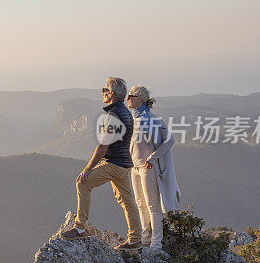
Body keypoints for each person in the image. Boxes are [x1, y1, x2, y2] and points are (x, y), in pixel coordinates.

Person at [62, 77, 143, 251]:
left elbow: (103, 146)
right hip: (124, 164)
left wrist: (87, 169)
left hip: (114, 164)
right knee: (127, 201)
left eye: (105, 90)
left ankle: (80, 228)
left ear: (112, 93)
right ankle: (135, 239)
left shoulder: (113, 116)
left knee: (82, 183)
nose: (103, 93)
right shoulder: (125, 113)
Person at [126, 86, 181, 251]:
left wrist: (153, 157)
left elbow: (170, 140)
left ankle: (156, 245)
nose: (127, 98)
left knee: (152, 206)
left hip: (148, 168)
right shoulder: (133, 118)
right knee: (140, 204)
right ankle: (145, 239)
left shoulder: (151, 118)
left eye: (131, 96)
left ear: (139, 99)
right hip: (134, 167)